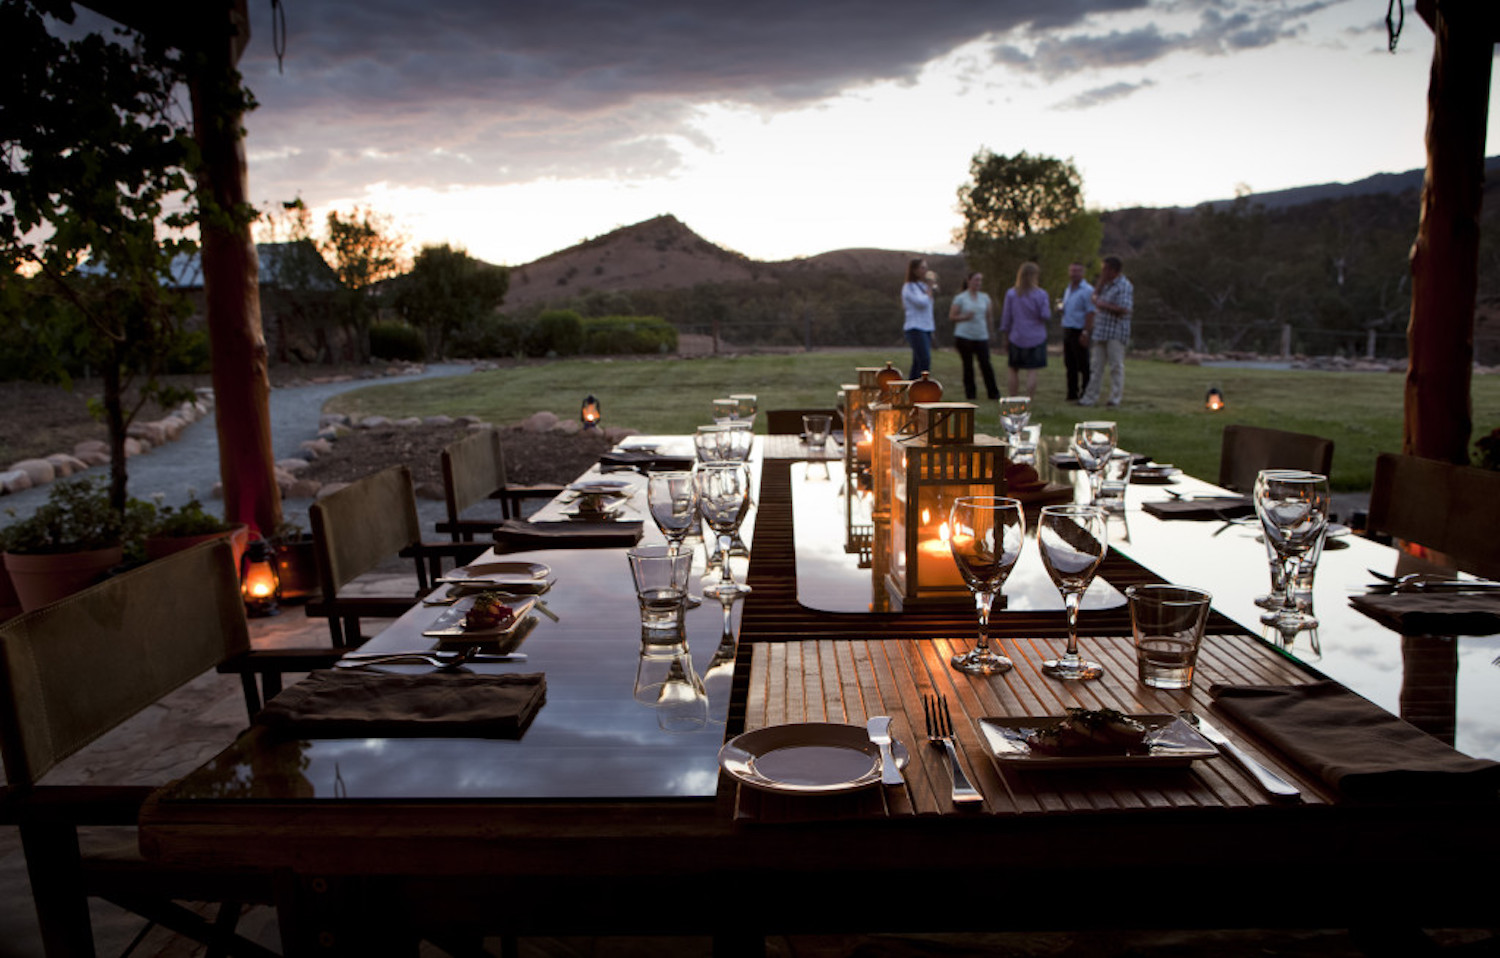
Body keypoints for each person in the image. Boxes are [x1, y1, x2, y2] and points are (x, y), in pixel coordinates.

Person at [1079, 255, 1134, 408]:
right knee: (1096, 367)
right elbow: (1094, 297)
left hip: (1115, 332)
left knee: (1115, 366)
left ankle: (1115, 398)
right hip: (1101, 331)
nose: (1102, 272)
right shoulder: (1105, 285)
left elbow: (1124, 309)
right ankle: (1090, 397)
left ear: (1113, 270)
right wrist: (1100, 284)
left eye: (1105, 269)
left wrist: (1103, 305)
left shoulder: (1124, 286)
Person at [998, 261, 1050, 397]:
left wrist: (1005, 336)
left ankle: (1013, 397)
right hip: (1036, 336)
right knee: (1032, 371)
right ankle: (1029, 399)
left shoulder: (1011, 294)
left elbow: (1006, 317)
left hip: (1017, 335)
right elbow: (1045, 315)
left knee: (1013, 369)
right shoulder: (1041, 294)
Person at [948, 271, 999, 400]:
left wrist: (991, 332)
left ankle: (993, 394)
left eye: (980, 280)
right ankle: (971, 395)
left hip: (981, 335)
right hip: (964, 336)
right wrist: (964, 317)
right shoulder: (961, 298)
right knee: (968, 366)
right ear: (969, 281)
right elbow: (952, 316)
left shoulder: (985, 297)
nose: (978, 283)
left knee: (986, 364)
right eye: (976, 280)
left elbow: (989, 317)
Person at [1058, 261, 1095, 402]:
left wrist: (1086, 332)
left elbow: (1090, 312)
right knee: (1069, 363)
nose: (1074, 274)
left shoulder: (1087, 290)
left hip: (1079, 330)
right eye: (1072, 271)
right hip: (1067, 328)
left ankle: (1086, 391)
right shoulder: (1068, 289)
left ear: (1083, 273)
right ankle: (1071, 392)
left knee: (1083, 364)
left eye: (1077, 271)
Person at [901, 257, 936, 381]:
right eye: (922, 267)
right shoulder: (909, 287)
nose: (925, 270)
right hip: (915, 327)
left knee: (918, 362)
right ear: (915, 270)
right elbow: (921, 303)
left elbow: (929, 308)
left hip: (926, 327)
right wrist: (930, 291)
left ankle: (912, 388)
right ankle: (922, 388)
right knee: (924, 359)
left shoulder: (923, 286)